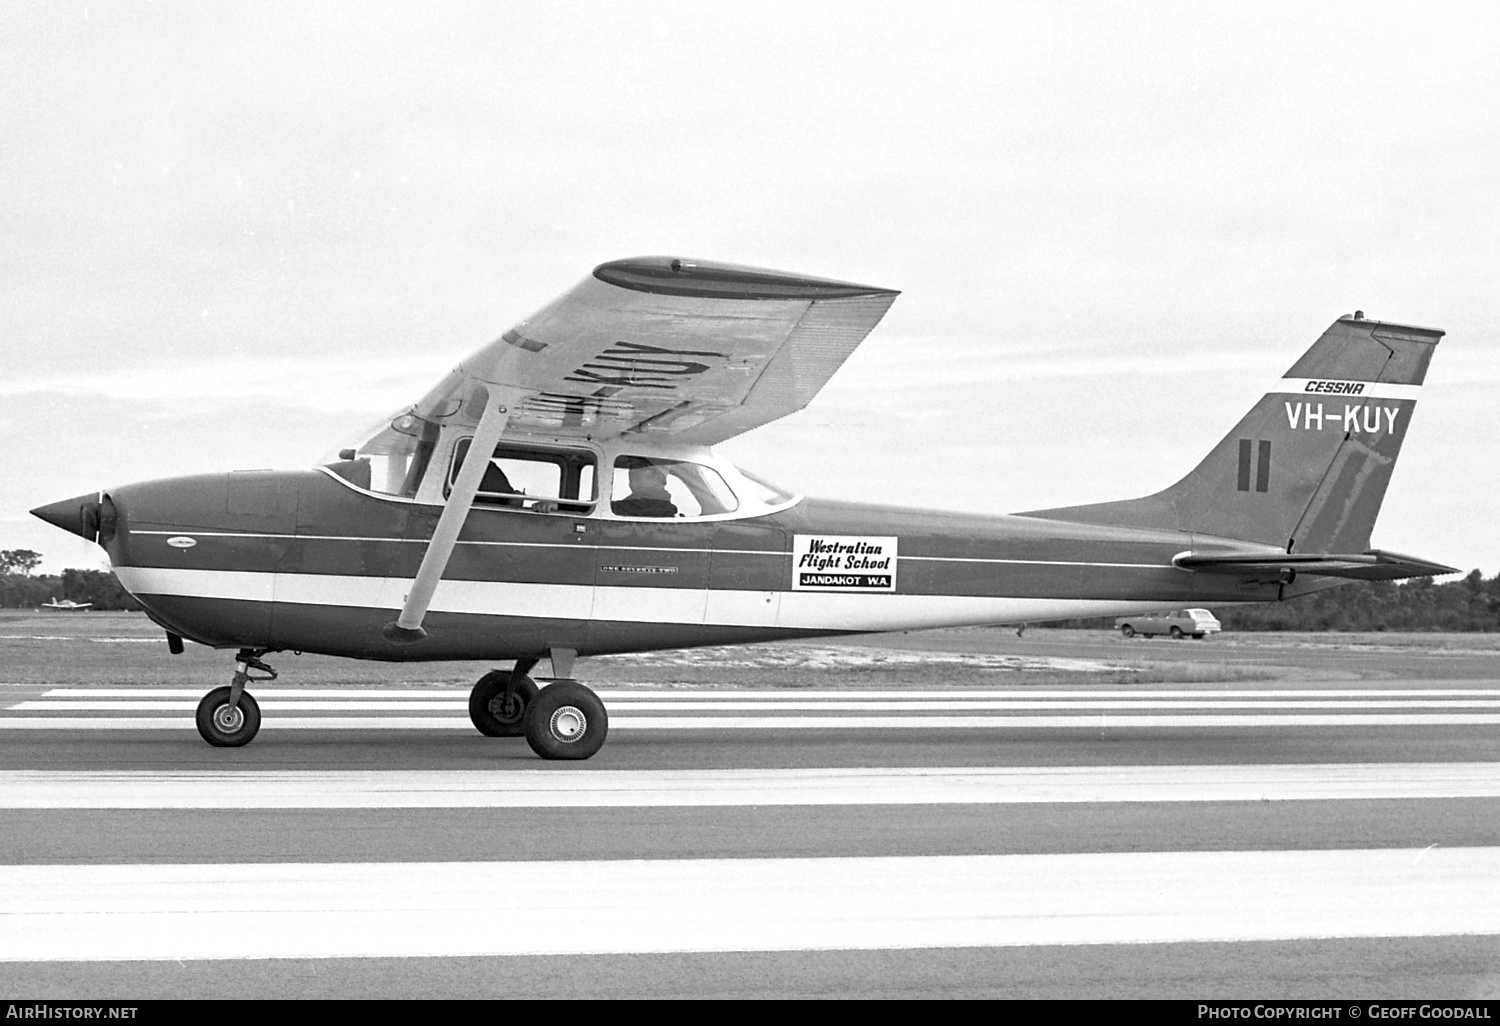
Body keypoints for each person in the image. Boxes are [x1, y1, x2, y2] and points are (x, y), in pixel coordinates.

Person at [612, 462, 678, 518]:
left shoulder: (622, 509)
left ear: (659, 477)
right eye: (632, 467)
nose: (633, 471)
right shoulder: (667, 510)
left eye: (640, 467)